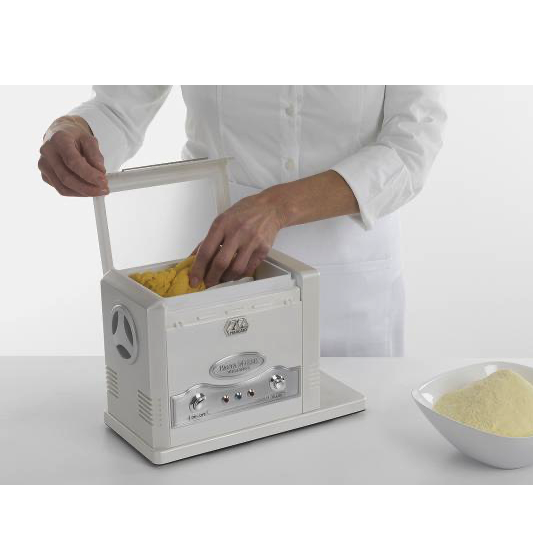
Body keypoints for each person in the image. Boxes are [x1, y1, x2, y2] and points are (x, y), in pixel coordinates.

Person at [38, 86, 446, 356]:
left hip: (350, 290)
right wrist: (73, 130)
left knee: (350, 451)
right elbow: (117, 109)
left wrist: (278, 206)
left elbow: (412, 147)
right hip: (211, 274)